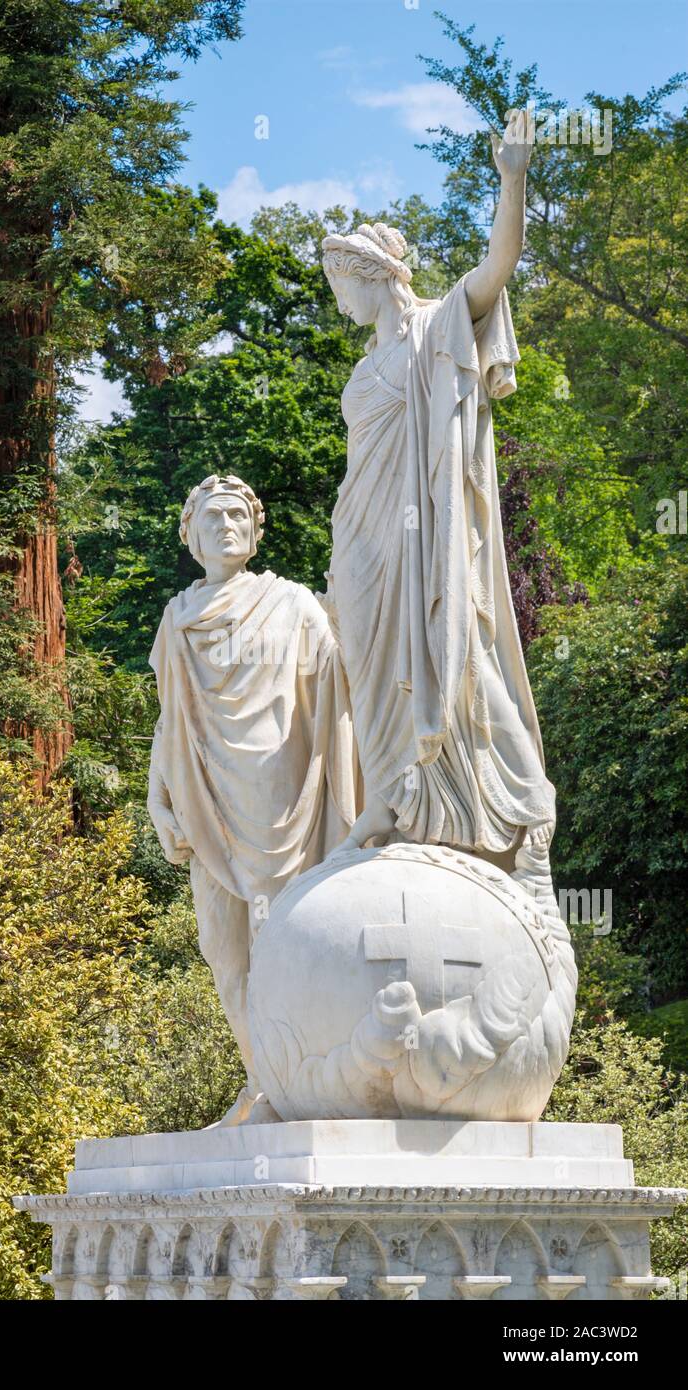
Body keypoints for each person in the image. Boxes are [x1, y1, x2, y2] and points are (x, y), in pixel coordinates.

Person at [321, 110, 558, 913]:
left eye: (341, 282)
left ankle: (524, 811)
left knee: (455, 651)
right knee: (372, 673)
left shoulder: (433, 326)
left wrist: (513, 177)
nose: (337, 298)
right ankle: (394, 800)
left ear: (375, 275)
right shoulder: (367, 362)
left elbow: (500, 265)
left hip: (425, 533)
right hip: (361, 538)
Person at [148, 474, 361, 1124]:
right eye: (213, 516)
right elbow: (169, 721)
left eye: (239, 514)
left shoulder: (292, 605)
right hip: (202, 801)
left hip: (279, 805)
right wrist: (158, 802)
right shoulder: (178, 616)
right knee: (224, 954)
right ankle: (263, 1080)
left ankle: (293, 1086)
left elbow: (340, 680)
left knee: (280, 948)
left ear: (257, 528)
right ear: (190, 535)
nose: (227, 525)